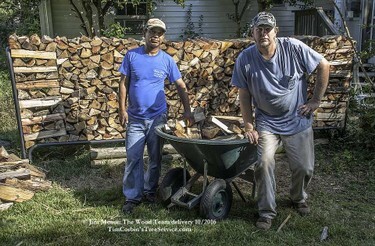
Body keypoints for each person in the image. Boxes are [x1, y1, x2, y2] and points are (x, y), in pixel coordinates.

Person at [231, 12, 330, 230]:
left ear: (276, 31)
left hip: (297, 118)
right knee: (264, 163)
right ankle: (266, 212)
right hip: (266, 121)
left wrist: (315, 101)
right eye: (259, 29)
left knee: (304, 167)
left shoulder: (293, 48)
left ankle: (297, 197)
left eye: (268, 28)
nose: (263, 33)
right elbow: (244, 94)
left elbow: (324, 65)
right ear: (253, 33)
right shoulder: (245, 58)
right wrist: (249, 125)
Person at [118, 18, 193, 214]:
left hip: (157, 118)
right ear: (145, 33)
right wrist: (122, 109)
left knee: (155, 159)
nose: (156, 36)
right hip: (135, 118)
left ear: (163, 37)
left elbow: (180, 85)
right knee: (133, 158)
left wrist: (187, 110)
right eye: (152, 32)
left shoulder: (167, 60)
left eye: (159, 33)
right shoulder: (132, 56)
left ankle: (150, 191)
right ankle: (132, 197)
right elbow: (123, 83)